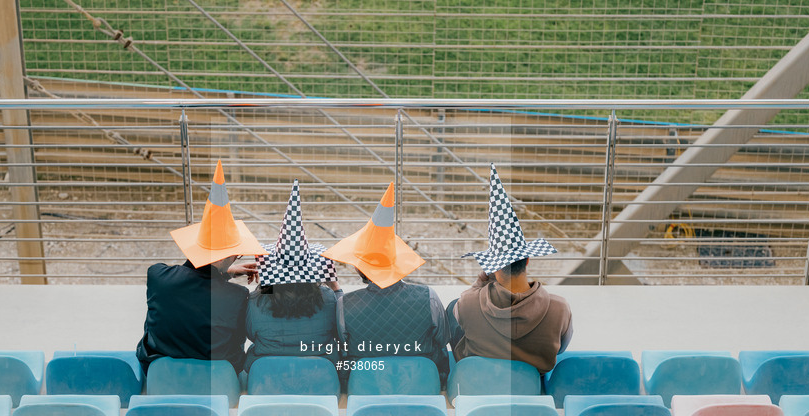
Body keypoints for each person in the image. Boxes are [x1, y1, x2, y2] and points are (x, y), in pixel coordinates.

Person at [136, 160, 267, 374]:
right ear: (228, 258)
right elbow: (235, 348)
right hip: (217, 378)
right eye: (236, 254)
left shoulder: (157, 276)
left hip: (160, 375)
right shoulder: (238, 296)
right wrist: (224, 276)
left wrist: (224, 272)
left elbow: (189, 282)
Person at [322, 183, 450, 385]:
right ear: (397, 259)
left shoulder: (344, 306)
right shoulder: (430, 297)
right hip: (421, 382)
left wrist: (336, 290)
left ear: (358, 267)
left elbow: (342, 344)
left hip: (367, 384)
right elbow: (443, 340)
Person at [451, 164, 572, 374]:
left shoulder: (467, 304)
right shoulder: (560, 308)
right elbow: (561, 348)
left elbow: (460, 315)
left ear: (493, 266)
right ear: (527, 261)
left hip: (481, 380)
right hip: (531, 387)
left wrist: (480, 283)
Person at [244, 180, 342, 371]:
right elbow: (341, 327)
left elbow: (250, 334)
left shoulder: (257, 299)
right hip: (320, 374)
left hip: (265, 375)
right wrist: (336, 288)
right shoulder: (328, 298)